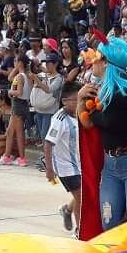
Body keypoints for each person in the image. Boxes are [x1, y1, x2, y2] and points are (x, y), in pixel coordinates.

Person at [78, 36, 127, 233]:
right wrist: (80, 100)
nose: (92, 60)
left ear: (106, 62)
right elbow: (87, 123)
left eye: (97, 56)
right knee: (109, 224)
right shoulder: (102, 91)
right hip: (109, 167)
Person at [44, 82, 82, 232]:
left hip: (80, 164)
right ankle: (80, 231)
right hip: (66, 167)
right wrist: (49, 169)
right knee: (81, 198)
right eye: (76, 100)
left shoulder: (81, 114)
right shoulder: (59, 119)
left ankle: (67, 210)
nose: (80, 103)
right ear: (65, 101)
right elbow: (48, 143)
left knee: (83, 195)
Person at [0, 54, 34, 166]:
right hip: (22, 105)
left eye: (16, 61)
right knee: (10, 132)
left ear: (20, 62)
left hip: (18, 104)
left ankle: (21, 158)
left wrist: (9, 92)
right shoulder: (26, 76)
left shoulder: (20, 77)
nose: (14, 63)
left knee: (18, 132)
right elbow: (9, 78)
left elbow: (18, 92)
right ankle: (7, 156)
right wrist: (17, 67)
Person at [31, 53, 64, 148]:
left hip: (50, 111)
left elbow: (49, 89)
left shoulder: (59, 78)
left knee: (46, 136)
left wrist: (37, 80)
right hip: (38, 109)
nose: (47, 65)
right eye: (46, 63)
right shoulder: (42, 75)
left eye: (49, 63)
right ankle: (46, 158)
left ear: (56, 64)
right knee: (42, 135)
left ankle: (48, 159)